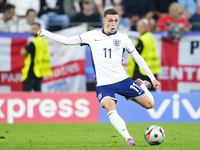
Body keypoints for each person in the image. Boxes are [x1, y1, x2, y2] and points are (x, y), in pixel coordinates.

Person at [37, 8, 160, 146]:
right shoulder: (92, 36)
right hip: (104, 84)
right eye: (110, 21)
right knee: (109, 105)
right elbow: (66, 41)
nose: (113, 24)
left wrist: (152, 78)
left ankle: (141, 85)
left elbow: (138, 59)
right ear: (104, 20)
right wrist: (46, 33)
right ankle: (129, 138)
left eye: (116, 21)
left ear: (119, 21)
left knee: (150, 104)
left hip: (122, 80)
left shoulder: (123, 38)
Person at [127, 19, 161, 91]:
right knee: (151, 92)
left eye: (140, 26)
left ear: (147, 27)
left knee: (140, 93)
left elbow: (135, 56)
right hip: (152, 69)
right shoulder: (150, 37)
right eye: (138, 26)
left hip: (142, 71)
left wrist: (131, 73)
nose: (138, 28)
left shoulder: (142, 39)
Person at [20, 23, 52, 92]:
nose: (33, 31)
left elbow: (22, 52)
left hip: (31, 71)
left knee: (26, 95)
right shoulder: (44, 41)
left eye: (35, 29)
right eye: (32, 29)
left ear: (40, 30)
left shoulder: (35, 42)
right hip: (39, 71)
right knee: (38, 94)